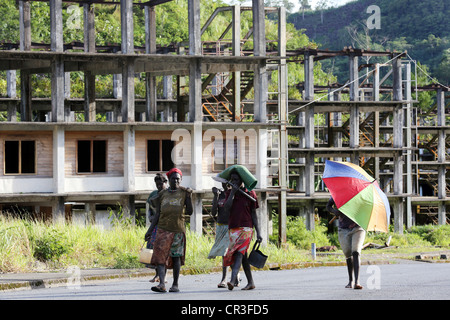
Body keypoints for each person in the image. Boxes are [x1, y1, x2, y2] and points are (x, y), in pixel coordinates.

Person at [145, 168, 193, 293]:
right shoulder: (163, 194)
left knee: (176, 257)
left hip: (177, 230)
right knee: (160, 257)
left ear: (181, 180)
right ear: (169, 180)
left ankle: (175, 284)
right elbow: (157, 214)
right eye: (173, 179)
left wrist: (189, 197)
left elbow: (190, 212)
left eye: (178, 179)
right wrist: (149, 230)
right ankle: (161, 284)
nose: (175, 181)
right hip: (162, 229)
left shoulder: (184, 193)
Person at [222, 170, 262, 291]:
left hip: (246, 228)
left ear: (242, 181)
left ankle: (233, 279)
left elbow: (254, 214)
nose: (234, 182)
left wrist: (259, 232)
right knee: (242, 256)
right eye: (232, 180)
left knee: (239, 253)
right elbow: (226, 209)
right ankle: (251, 282)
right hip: (233, 229)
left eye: (237, 180)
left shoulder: (250, 194)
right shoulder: (229, 193)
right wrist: (233, 193)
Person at [326, 196, 366, 289]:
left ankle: (357, 281)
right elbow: (328, 206)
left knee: (355, 251)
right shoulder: (338, 194)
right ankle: (350, 280)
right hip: (343, 229)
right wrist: (334, 211)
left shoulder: (360, 195)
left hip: (358, 227)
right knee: (348, 253)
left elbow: (365, 208)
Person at [207, 183, 240, 288]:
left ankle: (226, 279)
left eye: (227, 182)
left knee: (226, 252)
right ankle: (234, 276)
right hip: (221, 226)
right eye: (223, 182)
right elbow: (213, 213)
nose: (225, 184)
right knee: (223, 253)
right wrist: (215, 196)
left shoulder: (234, 194)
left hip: (231, 226)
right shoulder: (219, 194)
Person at [145, 173, 167, 283]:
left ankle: (163, 276)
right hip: (155, 226)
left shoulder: (168, 195)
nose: (159, 186)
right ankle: (157, 274)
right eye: (157, 184)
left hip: (166, 226)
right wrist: (151, 217)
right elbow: (150, 210)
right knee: (155, 252)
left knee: (164, 252)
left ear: (165, 183)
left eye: (161, 184)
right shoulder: (154, 195)